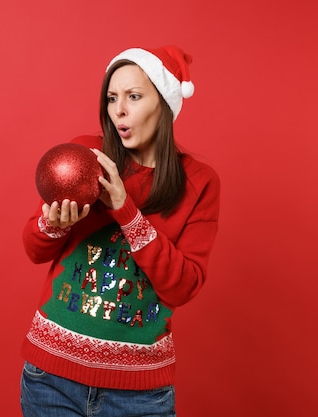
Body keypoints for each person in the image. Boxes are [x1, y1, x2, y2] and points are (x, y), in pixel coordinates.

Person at [20, 44, 220, 417]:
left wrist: (125, 209)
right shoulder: (83, 158)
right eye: (112, 98)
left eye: (134, 96)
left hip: (139, 394)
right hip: (51, 380)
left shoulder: (199, 182)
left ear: (164, 103)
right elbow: (33, 248)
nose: (119, 110)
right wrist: (54, 225)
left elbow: (183, 286)